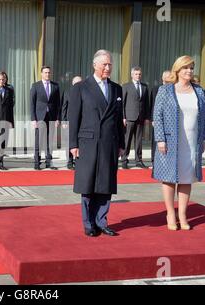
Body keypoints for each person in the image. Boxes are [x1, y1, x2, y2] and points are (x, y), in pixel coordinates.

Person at [68, 50, 125, 237]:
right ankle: (88, 223)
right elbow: (74, 118)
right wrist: (73, 144)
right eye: (104, 65)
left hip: (109, 142)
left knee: (105, 183)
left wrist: (122, 144)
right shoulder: (81, 87)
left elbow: (118, 119)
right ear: (95, 65)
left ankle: (101, 221)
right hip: (88, 143)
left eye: (110, 65)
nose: (108, 68)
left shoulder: (117, 89)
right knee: (88, 183)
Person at [153, 55, 205, 231]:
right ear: (177, 69)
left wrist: (204, 139)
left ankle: (183, 214)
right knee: (169, 178)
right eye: (186, 68)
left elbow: (204, 117)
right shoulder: (166, 90)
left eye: (191, 68)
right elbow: (157, 115)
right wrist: (160, 138)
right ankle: (170, 213)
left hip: (192, 141)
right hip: (170, 141)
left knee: (187, 177)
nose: (189, 71)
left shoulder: (199, 91)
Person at [30, 66, 61, 170]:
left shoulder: (55, 86)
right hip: (40, 117)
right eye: (45, 72)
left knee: (50, 140)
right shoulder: (35, 86)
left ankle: (49, 162)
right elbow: (32, 103)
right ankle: (37, 162)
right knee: (38, 140)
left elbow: (58, 104)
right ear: (41, 74)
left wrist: (57, 118)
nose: (47, 74)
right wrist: (33, 119)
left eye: (49, 72)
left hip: (51, 116)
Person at [121, 66, 150, 169]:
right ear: (132, 75)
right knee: (127, 139)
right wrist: (123, 117)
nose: (138, 76)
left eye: (139, 74)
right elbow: (122, 103)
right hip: (129, 117)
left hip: (141, 117)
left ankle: (139, 160)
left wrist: (147, 117)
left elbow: (147, 104)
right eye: (136, 74)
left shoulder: (145, 87)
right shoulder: (126, 86)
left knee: (139, 140)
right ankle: (124, 159)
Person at [149, 70, 171, 163]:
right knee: (156, 138)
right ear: (162, 78)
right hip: (157, 119)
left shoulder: (173, 89)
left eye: (169, 76)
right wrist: (152, 119)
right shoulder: (156, 89)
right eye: (166, 76)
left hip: (169, 119)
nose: (167, 78)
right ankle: (154, 159)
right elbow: (152, 104)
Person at [61, 75, 82, 169]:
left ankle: (78, 161)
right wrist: (64, 120)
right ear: (73, 84)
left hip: (82, 122)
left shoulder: (85, 92)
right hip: (70, 121)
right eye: (77, 83)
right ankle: (70, 161)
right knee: (70, 142)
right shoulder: (68, 92)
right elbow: (64, 107)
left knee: (80, 142)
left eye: (80, 82)